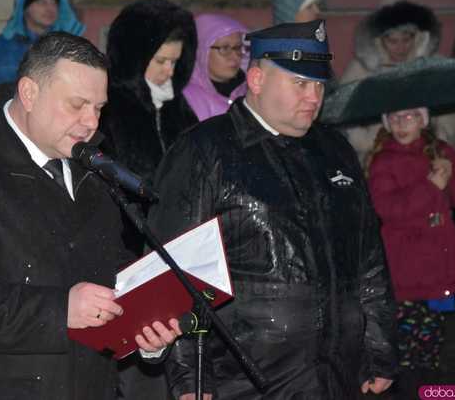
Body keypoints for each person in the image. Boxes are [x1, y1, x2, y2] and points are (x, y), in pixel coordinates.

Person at [0, 31, 180, 400]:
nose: (91, 122)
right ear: (29, 93)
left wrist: (141, 324)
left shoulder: (90, 166)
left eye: (98, 108)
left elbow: (106, 262)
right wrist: (59, 309)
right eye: (77, 104)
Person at [148, 20, 398, 399]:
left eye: (318, 84)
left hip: (338, 374)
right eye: (299, 83)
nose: (313, 97)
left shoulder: (336, 150)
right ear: (257, 79)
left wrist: (379, 348)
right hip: (245, 378)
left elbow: (369, 258)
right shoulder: (205, 151)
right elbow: (172, 269)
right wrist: (190, 378)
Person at [97, 0, 198, 400]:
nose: (168, 72)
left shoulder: (179, 110)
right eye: (159, 61)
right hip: (129, 258)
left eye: (175, 62)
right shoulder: (111, 110)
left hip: (178, 255)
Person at [366, 107, 455, 396]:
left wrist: (451, 173)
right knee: (408, 354)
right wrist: (430, 186)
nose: (401, 124)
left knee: (432, 348)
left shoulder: (440, 151)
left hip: (440, 274)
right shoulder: (383, 161)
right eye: (394, 117)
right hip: (407, 277)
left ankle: (430, 392)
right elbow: (388, 210)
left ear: (423, 120)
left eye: (410, 116)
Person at [339, 0, 455, 164]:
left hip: (426, 153)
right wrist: (363, 141)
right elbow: (342, 110)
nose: (401, 48)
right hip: (375, 154)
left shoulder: (433, 68)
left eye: (406, 39)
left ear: (418, 37)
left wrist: (440, 138)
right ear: (379, 40)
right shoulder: (361, 70)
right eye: (393, 41)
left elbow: (452, 111)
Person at [183, 13, 249, 122]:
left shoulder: (252, 91)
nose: (234, 56)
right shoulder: (185, 98)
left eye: (237, 47)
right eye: (224, 48)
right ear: (201, 51)